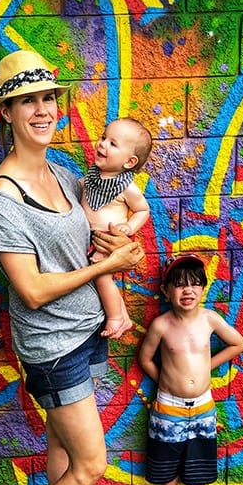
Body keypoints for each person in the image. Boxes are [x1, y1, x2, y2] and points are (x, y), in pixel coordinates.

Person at [0, 49, 144, 485]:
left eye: (48, 97)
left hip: (85, 329)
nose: (43, 109)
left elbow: (92, 238)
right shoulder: (3, 198)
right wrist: (111, 264)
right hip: (51, 345)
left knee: (64, 450)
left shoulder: (65, 174)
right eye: (29, 101)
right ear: (7, 112)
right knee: (91, 463)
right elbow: (32, 289)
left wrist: (121, 246)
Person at [137, 254, 243, 485]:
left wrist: (205, 367)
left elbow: (238, 343)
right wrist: (165, 379)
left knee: (199, 460)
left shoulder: (210, 319)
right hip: (168, 406)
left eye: (195, 284)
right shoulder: (161, 325)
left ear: (203, 289)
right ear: (166, 290)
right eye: (180, 285)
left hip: (202, 406)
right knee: (167, 461)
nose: (188, 291)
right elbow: (145, 358)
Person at [81, 118, 152, 339]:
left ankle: (115, 317)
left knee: (102, 278)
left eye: (113, 144)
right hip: (91, 240)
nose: (102, 144)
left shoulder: (127, 187)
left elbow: (143, 210)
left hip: (106, 241)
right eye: (103, 137)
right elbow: (83, 188)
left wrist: (128, 227)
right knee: (102, 279)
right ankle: (124, 316)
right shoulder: (92, 176)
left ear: (130, 162)